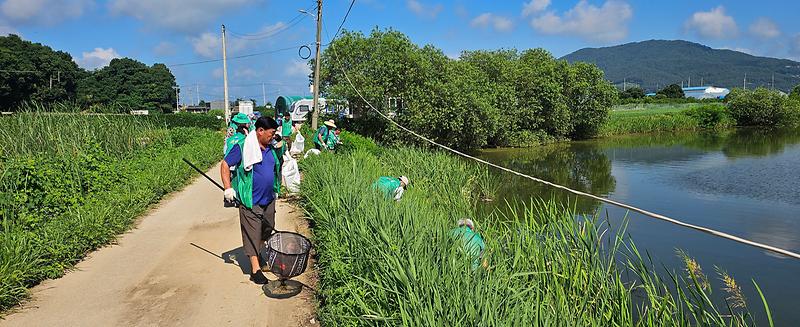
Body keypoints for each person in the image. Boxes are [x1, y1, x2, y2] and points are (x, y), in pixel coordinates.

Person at [220, 116, 283, 285]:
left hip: (268, 199)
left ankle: (259, 255)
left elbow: (276, 167)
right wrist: (228, 188)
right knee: (252, 233)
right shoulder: (242, 147)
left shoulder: (270, 148)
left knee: (266, 229)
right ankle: (255, 269)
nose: (273, 137)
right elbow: (225, 164)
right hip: (250, 200)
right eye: (271, 133)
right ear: (260, 131)